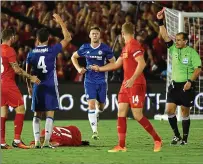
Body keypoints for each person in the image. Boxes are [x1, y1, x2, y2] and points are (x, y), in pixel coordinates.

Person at [91, 22, 162, 152]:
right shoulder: (126, 48)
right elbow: (116, 65)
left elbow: (142, 63)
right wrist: (99, 68)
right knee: (121, 112)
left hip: (136, 83)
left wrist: (133, 79)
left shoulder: (134, 45)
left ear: (122, 34)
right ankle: (121, 145)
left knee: (137, 115)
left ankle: (157, 139)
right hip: (126, 84)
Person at [26, 14, 72, 148]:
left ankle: (36, 142)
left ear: (37, 39)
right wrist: (60, 22)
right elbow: (68, 38)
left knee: (37, 114)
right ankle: (46, 141)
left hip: (37, 86)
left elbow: (27, 73)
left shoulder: (31, 53)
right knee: (50, 112)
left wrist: (29, 86)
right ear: (48, 39)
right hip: (51, 85)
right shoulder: (52, 50)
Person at [157, 8, 202, 145]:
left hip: (186, 85)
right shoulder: (173, 49)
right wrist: (160, 20)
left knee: (184, 113)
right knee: (169, 110)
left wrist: (190, 81)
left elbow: (198, 69)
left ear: (185, 42)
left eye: (179, 40)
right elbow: (165, 36)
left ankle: (185, 139)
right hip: (174, 85)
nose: (176, 42)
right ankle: (176, 135)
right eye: (175, 40)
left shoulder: (192, 53)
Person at [71, 26, 115, 140]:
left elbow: (113, 64)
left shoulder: (105, 48)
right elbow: (73, 57)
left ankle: (97, 113)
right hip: (89, 80)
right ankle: (95, 131)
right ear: (90, 36)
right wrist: (79, 69)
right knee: (90, 104)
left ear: (99, 35)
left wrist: (100, 69)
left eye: (96, 33)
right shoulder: (85, 47)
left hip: (102, 81)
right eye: (93, 33)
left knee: (101, 107)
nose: (95, 35)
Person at [1, 29, 41, 149]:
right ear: (11, 37)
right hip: (8, 83)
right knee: (20, 108)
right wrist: (31, 77)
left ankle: (2, 142)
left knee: (3, 111)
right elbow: (17, 70)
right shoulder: (9, 50)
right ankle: (17, 140)